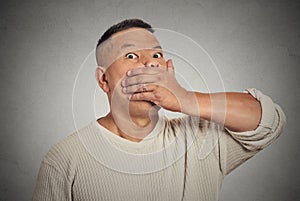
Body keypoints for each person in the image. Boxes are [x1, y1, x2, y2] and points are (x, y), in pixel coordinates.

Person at [32, 19, 286, 201]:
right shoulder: (65, 159)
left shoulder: (199, 140)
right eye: (130, 55)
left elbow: (269, 119)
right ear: (103, 80)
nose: (148, 63)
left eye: (156, 55)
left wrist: (185, 99)